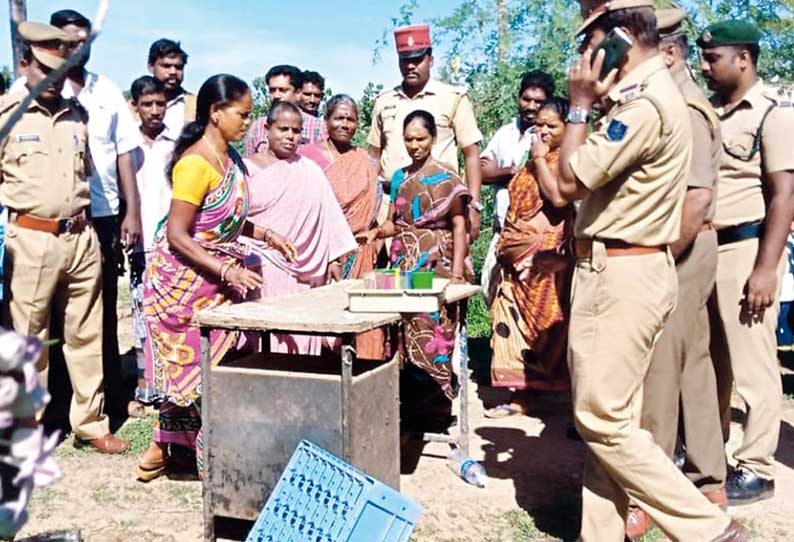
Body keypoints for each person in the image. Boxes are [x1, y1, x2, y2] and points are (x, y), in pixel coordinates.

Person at [557, 2, 746, 541]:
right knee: (611, 423)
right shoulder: (649, 96)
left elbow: (571, 181)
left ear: (617, 38)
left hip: (619, 271)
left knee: (602, 421)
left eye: (590, 41)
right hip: (626, 268)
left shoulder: (643, 106)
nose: (585, 55)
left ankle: (707, 527)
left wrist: (576, 108)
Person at [137, 75, 296, 481]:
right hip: (183, 284)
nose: (248, 122)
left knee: (216, 369)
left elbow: (224, 220)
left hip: (217, 278)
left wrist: (269, 236)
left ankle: (166, 446)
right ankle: (211, 464)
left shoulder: (231, 160)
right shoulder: (194, 164)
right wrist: (227, 269)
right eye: (242, 114)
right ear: (215, 113)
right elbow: (178, 233)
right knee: (202, 374)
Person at [0, 21, 129, 454]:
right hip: (30, 240)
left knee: (86, 336)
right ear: (25, 63)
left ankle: (91, 424)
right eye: (45, 68)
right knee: (28, 340)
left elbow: (87, 173)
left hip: (80, 238)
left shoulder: (79, 115)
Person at [625, 8, 727, 538]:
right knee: (693, 359)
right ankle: (708, 474)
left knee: (660, 364)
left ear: (667, 52)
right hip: (691, 242)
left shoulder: (681, 107)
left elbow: (695, 198)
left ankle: (654, 487)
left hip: (681, 243)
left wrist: (660, 256)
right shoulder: (678, 100)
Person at [699, 20, 794, 505]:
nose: (704, 65)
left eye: (713, 57)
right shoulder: (710, 112)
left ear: (744, 58)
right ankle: (708, 456)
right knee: (710, 362)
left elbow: (784, 196)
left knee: (753, 363)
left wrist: (765, 267)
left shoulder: (773, 114)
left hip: (747, 248)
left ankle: (757, 466)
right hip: (705, 249)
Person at [358, 110, 471, 404]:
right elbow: (396, 222)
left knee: (433, 324)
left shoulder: (447, 176)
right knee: (404, 328)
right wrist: (376, 234)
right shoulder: (399, 177)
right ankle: (411, 405)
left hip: (438, 264)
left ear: (433, 138)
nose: (414, 145)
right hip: (404, 264)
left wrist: (457, 274)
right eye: (408, 140)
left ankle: (439, 400)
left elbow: (460, 224)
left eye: (420, 138)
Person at [244, 101, 356, 355]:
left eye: (296, 131)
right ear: (267, 129)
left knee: (300, 340)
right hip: (262, 268)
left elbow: (329, 216)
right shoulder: (246, 169)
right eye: (283, 129)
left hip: (305, 273)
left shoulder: (310, 170)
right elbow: (235, 221)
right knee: (263, 338)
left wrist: (333, 260)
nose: (289, 137)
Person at [485, 97, 574, 419]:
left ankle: (561, 398)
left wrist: (539, 160)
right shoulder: (530, 160)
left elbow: (558, 198)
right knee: (511, 322)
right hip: (515, 258)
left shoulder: (567, 159)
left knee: (549, 325)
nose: (544, 132)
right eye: (540, 126)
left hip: (546, 259)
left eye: (552, 126)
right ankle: (518, 396)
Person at [368, 25, 484, 239]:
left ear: (431, 60)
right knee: (389, 270)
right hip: (390, 207)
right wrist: (368, 207)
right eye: (405, 60)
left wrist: (474, 205)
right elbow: (373, 155)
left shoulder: (452, 97)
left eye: (417, 59)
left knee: (439, 267)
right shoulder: (384, 101)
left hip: (439, 208)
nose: (411, 66)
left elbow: (471, 154)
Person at [298, 95, 385, 359]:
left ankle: (362, 380)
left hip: (360, 252)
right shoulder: (307, 157)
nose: (344, 124)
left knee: (362, 321)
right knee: (321, 323)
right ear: (326, 121)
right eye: (339, 118)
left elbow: (374, 208)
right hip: (320, 254)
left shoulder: (366, 161)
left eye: (351, 119)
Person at [480, 70, 555, 306]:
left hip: (536, 234)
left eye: (538, 101)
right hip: (502, 229)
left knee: (532, 298)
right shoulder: (506, 133)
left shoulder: (549, 135)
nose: (531, 106)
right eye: (527, 99)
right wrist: (510, 172)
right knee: (491, 290)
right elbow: (481, 170)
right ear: (518, 97)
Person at [128, 75, 174, 409]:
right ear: (136, 106)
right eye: (147, 104)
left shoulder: (176, 144)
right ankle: (145, 381)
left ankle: (171, 383)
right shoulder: (127, 147)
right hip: (139, 241)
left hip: (171, 242)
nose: (155, 111)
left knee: (168, 313)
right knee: (141, 311)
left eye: (160, 104)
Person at [243, 65, 327, 157]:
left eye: (283, 90)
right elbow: (250, 163)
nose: (276, 95)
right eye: (272, 90)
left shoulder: (318, 128)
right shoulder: (258, 126)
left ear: (298, 93)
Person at [147, 38, 196, 133]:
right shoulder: (133, 107)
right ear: (151, 67)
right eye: (166, 66)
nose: (173, 72)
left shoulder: (195, 105)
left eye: (178, 67)